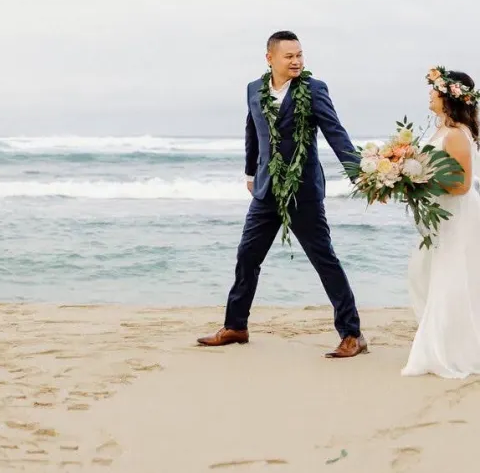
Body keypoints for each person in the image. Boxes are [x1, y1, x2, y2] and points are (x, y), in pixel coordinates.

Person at [197, 31, 367, 358]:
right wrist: (250, 173)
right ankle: (236, 326)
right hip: (265, 190)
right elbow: (253, 132)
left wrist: (359, 173)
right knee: (248, 256)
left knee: (324, 260)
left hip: (302, 191)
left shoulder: (314, 90)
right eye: (289, 56)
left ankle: (352, 334)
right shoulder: (253, 90)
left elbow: (336, 133)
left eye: (300, 55)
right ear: (270, 58)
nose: (297, 61)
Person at [402, 67, 480, 378]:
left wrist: (420, 180)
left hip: (457, 216)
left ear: (448, 96)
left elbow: (461, 185)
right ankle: (447, 337)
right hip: (439, 216)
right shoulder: (440, 130)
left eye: (434, 89)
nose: (430, 94)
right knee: (422, 272)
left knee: (450, 277)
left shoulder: (457, 134)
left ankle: (445, 349)